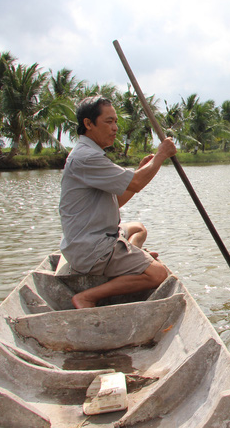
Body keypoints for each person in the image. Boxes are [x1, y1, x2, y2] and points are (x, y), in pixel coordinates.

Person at [59, 95, 177, 309]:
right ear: (88, 124)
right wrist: (161, 156)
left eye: (115, 121)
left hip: (91, 239)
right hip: (92, 249)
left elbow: (119, 199)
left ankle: (131, 262)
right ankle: (87, 297)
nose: (115, 128)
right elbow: (136, 183)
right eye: (108, 121)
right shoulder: (87, 157)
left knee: (138, 228)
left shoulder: (90, 154)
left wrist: (141, 169)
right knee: (158, 274)